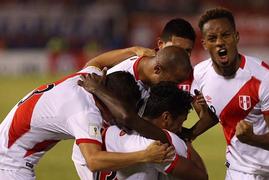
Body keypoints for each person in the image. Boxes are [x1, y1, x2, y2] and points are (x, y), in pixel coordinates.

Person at [187, 7, 269, 179]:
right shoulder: (199, 74)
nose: (220, 42)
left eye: (225, 35)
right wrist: (189, 134)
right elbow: (216, 112)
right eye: (212, 38)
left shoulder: (264, 77)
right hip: (239, 168)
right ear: (204, 44)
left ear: (236, 37)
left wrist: (251, 138)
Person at [0, 69, 174, 180]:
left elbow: (98, 62)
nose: (116, 120)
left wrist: (134, 50)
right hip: (9, 165)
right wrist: (145, 155)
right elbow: (93, 161)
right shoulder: (85, 113)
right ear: (109, 102)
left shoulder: (89, 76)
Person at [72, 46, 196, 179]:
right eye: (175, 81)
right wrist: (98, 89)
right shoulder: (123, 75)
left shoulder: (150, 80)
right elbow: (93, 65)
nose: (174, 86)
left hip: (121, 143)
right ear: (157, 70)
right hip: (98, 142)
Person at [96, 82, 208, 180]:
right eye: (180, 122)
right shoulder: (159, 147)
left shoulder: (110, 132)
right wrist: (186, 142)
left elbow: (93, 162)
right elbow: (202, 177)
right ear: (166, 117)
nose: (180, 129)